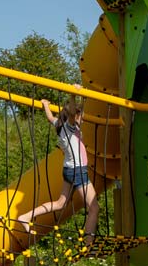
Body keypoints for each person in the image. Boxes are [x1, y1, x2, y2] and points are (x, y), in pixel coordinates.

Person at [16, 89, 99, 246]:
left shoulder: (59, 125)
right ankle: (89, 243)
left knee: (61, 203)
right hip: (77, 171)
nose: (83, 118)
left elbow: (50, 117)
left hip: (68, 169)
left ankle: (26, 216)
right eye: (81, 115)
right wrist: (73, 94)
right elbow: (73, 112)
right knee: (94, 208)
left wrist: (45, 105)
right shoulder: (69, 127)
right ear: (74, 116)